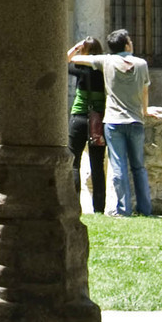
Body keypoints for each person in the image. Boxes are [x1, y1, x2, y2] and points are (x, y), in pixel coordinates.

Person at [67, 28, 153, 217]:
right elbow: (145, 90)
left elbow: (68, 60)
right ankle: (133, 209)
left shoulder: (98, 63)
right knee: (119, 165)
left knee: (90, 163)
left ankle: (115, 209)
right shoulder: (128, 65)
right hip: (117, 120)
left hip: (97, 120)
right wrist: (145, 111)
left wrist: (77, 48)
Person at [67, 34, 108, 215]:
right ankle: (99, 208)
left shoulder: (79, 68)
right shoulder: (105, 70)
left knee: (74, 162)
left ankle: (75, 205)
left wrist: (76, 48)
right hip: (97, 120)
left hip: (79, 117)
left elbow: (62, 60)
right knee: (97, 164)